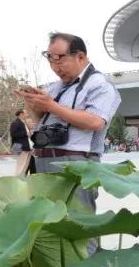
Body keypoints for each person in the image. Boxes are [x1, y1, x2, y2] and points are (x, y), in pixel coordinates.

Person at [15, 32, 121, 233]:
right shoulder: (56, 87)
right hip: (44, 161)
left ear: (80, 56)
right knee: (48, 228)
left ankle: (86, 263)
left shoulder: (100, 85)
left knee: (78, 227)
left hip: (78, 164)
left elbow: (96, 121)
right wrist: (34, 104)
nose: (55, 67)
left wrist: (51, 106)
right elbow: (42, 122)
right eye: (50, 60)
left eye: (60, 59)